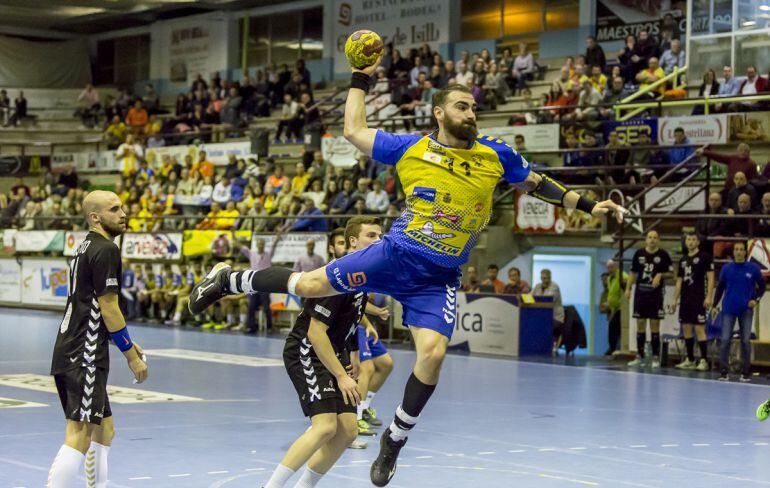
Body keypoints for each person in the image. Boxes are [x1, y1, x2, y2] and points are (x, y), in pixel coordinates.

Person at [188, 57, 624, 487]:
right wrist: (360, 78)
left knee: (433, 354)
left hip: (437, 278)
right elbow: (354, 131)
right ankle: (227, 279)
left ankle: (394, 441)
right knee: (309, 284)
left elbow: (536, 183)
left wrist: (589, 204)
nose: (470, 113)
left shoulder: (496, 154)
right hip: (396, 254)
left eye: (472, 107)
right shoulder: (413, 148)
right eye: (460, 106)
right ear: (439, 113)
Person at [260, 221, 378, 487]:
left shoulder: (365, 276)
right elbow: (316, 333)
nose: (378, 240)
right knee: (325, 426)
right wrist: (341, 375)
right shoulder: (339, 277)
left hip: (333, 352)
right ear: (352, 243)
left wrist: (353, 356)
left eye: (380, 235)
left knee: (347, 431)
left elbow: (346, 323)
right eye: (370, 235)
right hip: (306, 350)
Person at [47, 191, 148, 488]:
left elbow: (92, 305)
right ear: (95, 217)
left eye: (122, 207)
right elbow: (108, 306)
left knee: (105, 430)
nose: (123, 213)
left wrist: (122, 340)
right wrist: (131, 355)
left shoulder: (85, 247)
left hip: (76, 347)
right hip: (84, 354)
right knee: (79, 434)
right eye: (114, 209)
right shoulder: (106, 249)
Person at [712, 241, 765, 381]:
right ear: (733, 252)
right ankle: (723, 371)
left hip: (746, 310)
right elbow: (720, 288)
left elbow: (763, 286)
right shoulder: (726, 268)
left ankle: (745, 372)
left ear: (745, 252)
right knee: (724, 340)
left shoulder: (753, 268)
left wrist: (756, 299)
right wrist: (714, 305)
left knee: (746, 341)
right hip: (728, 308)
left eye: (742, 249)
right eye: (736, 249)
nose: (739, 252)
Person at [625, 230, 673, 368]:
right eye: (650, 237)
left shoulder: (663, 255)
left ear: (658, 240)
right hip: (640, 293)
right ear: (646, 239)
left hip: (655, 295)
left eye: (655, 238)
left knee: (654, 325)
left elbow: (672, 273)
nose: (652, 240)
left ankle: (656, 357)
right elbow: (632, 272)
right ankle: (639, 356)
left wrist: (661, 275)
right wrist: (628, 289)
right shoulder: (639, 254)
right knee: (640, 323)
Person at [669, 232, 714, 371]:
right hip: (686, 298)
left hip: (699, 298)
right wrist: (675, 299)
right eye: (688, 239)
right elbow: (679, 281)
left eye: (693, 240)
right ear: (685, 242)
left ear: (698, 242)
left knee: (699, 328)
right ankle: (690, 359)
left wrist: (709, 296)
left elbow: (711, 278)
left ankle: (704, 360)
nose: (691, 242)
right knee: (686, 328)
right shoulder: (683, 259)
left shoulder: (705, 257)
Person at [533, 269, 565, 356]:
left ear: (550, 277)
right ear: (541, 278)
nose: (545, 280)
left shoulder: (554, 287)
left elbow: (549, 300)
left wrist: (537, 301)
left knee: (549, 327)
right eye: (543, 278)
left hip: (556, 317)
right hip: (542, 316)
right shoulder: (537, 286)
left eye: (547, 278)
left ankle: (551, 347)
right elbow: (530, 296)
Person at [604, 259, 627, 357]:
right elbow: (612, 293)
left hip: (622, 307)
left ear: (616, 266)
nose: (610, 269)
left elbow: (626, 287)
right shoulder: (609, 278)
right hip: (614, 308)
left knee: (614, 327)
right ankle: (613, 348)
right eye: (608, 267)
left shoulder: (623, 276)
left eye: (612, 266)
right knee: (613, 328)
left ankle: (614, 348)